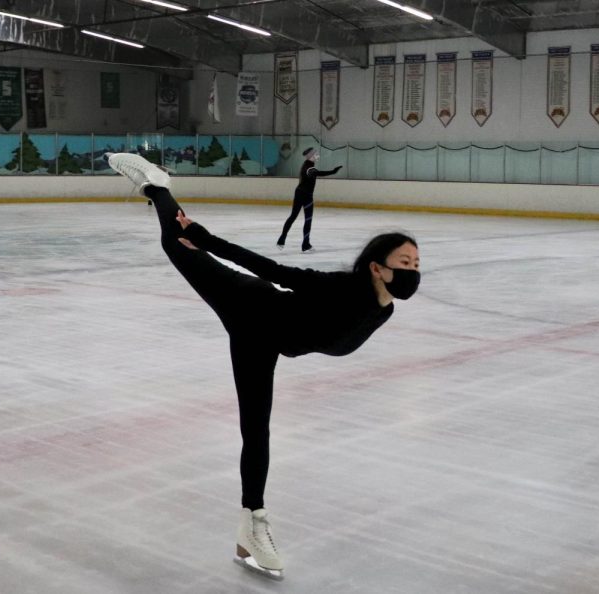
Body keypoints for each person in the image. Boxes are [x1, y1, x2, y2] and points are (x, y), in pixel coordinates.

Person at [105, 152, 420, 580]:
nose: (414, 270)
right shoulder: (342, 289)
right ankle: (158, 185)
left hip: (264, 341)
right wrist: (205, 238)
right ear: (377, 268)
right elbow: (274, 269)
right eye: (406, 263)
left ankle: (249, 529)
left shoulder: (384, 310)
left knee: (256, 430)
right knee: (175, 241)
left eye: (416, 263)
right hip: (249, 306)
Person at [277, 147, 342, 252]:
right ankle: (286, 239)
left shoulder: (308, 165)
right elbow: (317, 173)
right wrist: (333, 171)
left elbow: (315, 172)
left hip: (303, 194)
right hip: (304, 195)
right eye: (316, 154)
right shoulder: (308, 168)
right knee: (299, 218)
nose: (318, 156)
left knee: (302, 218)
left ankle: (299, 243)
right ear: (311, 156)